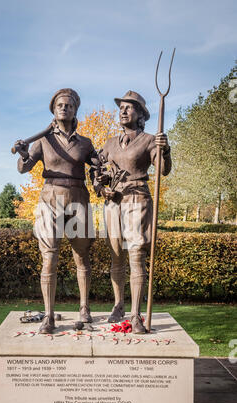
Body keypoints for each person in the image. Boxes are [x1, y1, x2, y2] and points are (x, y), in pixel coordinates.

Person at [16, 88, 99, 334]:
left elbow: (97, 169)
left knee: (81, 256)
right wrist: (22, 153)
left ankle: (84, 308)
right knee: (49, 258)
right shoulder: (43, 141)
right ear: (54, 109)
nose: (64, 107)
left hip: (78, 199)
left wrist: (100, 180)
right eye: (60, 104)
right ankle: (49, 316)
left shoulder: (85, 143)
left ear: (75, 110)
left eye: (69, 105)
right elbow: (24, 167)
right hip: (50, 199)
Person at [97, 90, 171, 334]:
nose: (123, 111)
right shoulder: (109, 143)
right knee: (116, 255)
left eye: (129, 108)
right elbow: (96, 171)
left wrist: (165, 150)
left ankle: (136, 314)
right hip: (113, 203)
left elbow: (162, 171)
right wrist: (100, 188)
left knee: (136, 254)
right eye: (121, 107)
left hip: (137, 199)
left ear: (140, 115)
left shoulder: (149, 140)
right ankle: (118, 306)